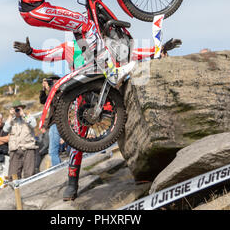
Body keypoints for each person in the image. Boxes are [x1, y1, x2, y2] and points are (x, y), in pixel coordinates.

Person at [14, 36, 182, 200]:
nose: (85, 32)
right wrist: (30, 51)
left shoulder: (104, 44)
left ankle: (144, 170)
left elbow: (131, 53)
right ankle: (72, 184)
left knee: (130, 127)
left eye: (87, 28)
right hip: (82, 100)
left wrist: (159, 49)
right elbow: (48, 55)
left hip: (108, 97)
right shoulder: (70, 47)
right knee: (77, 142)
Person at [3, 100, 38, 180]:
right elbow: (5, 129)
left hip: (28, 148)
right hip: (15, 149)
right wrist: (10, 116)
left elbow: (33, 124)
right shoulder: (11, 120)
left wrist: (23, 115)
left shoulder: (28, 116)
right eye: (15, 109)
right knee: (13, 176)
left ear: (22, 108)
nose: (17, 110)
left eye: (18, 108)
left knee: (29, 174)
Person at [39, 75, 63, 167]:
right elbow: (43, 101)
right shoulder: (52, 93)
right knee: (53, 150)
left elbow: (55, 101)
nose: (51, 84)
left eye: (51, 82)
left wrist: (51, 89)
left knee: (53, 151)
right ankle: (58, 167)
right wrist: (43, 90)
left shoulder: (60, 92)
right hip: (55, 123)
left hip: (58, 122)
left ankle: (57, 170)